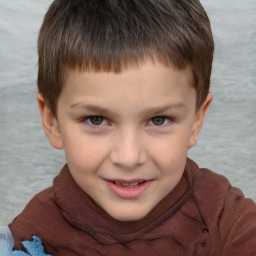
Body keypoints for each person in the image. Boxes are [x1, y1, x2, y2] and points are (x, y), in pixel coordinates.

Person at [5, 0, 256, 255]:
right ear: (52, 121)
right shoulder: (32, 238)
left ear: (196, 121)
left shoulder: (224, 217)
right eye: (96, 119)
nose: (128, 157)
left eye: (159, 120)